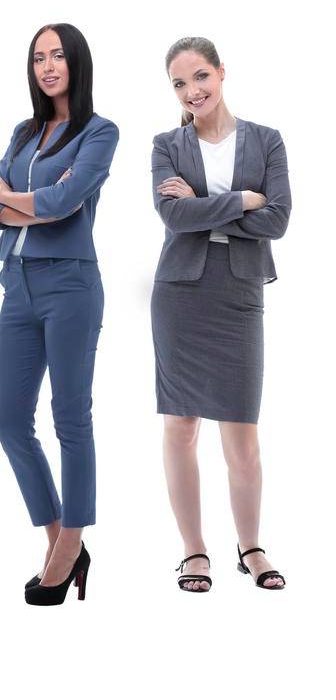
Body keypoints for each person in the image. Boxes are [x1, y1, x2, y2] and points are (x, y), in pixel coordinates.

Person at [0, 23, 118, 606]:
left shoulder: (99, 131)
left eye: (58, 55)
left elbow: (64, 203)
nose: (48, 66)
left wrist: (7, 192)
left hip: (71, 285)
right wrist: (17, 201)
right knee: (9, 420)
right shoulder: (24, 131)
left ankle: (69, 546)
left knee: (70, 419)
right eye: (39, 57)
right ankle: (58, 531)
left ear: (77, 63)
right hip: (19, 285)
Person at [150, 36, 290, 593]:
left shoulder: (267, 141)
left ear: (222, 73)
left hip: (239, 294)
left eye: (200, 77)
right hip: (180, 293)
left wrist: (205, 204)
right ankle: (194, 550)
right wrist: (243, 200)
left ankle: (251, 547)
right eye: (180, 84)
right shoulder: (166, 144)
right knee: (181, 427)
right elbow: (171, 214)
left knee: (242, 435)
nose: (193, 91)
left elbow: (277, 220)